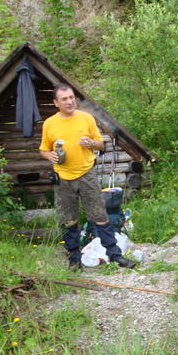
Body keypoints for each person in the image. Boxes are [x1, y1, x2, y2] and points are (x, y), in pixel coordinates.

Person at [39, 83, 136, 270]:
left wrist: (90, 143)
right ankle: (74, 260)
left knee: (100, 215)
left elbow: (100, 144)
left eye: (71, 97)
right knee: (69, 219)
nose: (69, 101)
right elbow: (44, 149)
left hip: (87, 174)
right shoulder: (50, 124)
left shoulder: (86, 118)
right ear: (56, 103)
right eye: (64, 99)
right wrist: (48, 155)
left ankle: (116, 256)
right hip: (63, 177)